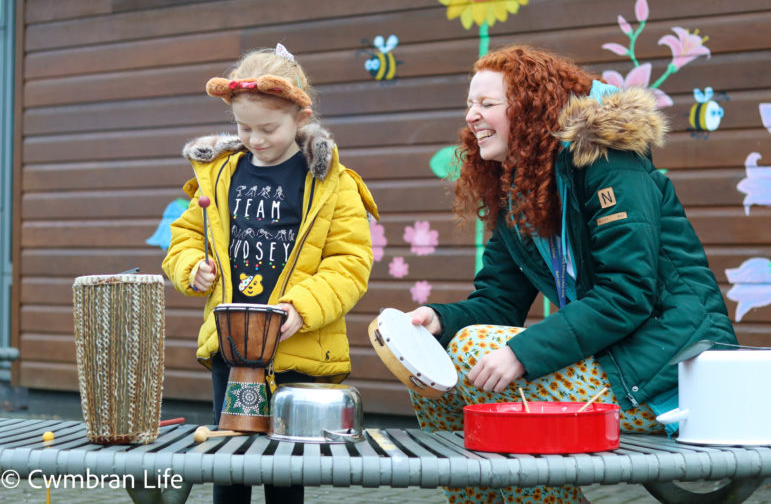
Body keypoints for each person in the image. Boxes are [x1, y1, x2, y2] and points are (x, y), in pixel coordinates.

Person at [408, 45, 737, 503]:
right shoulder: (521, 186)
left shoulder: (608, 161)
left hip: (672, 371)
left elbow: (627, 293)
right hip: (612, 360)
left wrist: (521, 352)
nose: (471, 117)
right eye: (469, 105)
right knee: (433, 373)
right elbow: (500, 301)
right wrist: (437, 320)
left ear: (529, 109)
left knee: (478, 359)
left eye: (487, 104)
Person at [162, 44, 378, 504]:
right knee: (230, 462)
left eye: (268, 128)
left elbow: (350, 263)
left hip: (295, 347)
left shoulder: (331, 183)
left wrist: (302, 308)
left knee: (285, 472)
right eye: (244, 128)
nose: (255, 139)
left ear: (301, 117)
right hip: (231, 346)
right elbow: (184, 237)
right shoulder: (220, 175)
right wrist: (190, 268)